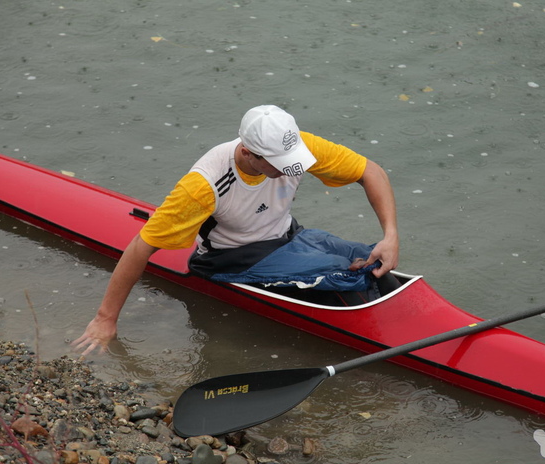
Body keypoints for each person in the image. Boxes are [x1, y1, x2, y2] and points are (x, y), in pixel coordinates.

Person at [73, 105, 399, 356]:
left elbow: (371, 171)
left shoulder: (300, 149)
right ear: (248, 153)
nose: (293, 167)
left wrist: (391, 235)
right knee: (349, 275)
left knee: (372, 261)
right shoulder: (204, 185)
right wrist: (105, 319)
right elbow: (141, 246)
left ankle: (383, 307)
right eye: (281, 162)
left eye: (292, 157)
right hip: (233, 258)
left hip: (288, 234)